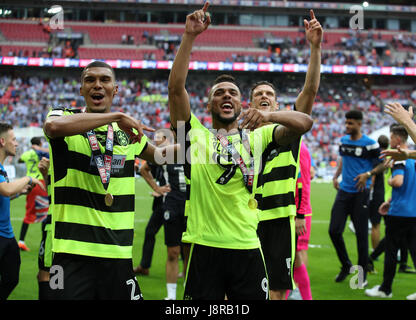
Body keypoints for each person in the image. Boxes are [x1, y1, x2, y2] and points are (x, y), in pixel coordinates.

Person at [168, 2, 313, 300]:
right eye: (218, 93)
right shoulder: (196, 136)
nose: (226, 96)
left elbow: (304, 122)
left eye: (232, 93)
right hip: (203, 245)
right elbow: (175, 89)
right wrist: (189, 37)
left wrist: (270, 116)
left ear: (240, 105)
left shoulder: (258, 138)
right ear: (208, 105)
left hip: (247, 246)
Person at [43, 60, 175, 300]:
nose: (97, 85)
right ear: (81, 89)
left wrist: (199, 142)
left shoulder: (126, 132)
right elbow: (52, 127)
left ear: (115, 90)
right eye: (90, 80)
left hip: (118, 255)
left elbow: (159, 155)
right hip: (72, 256)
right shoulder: (64, 115)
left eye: (105, 80)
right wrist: (116, 116)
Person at [248, 9, 322, 301]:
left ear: (277, 103)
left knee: (278, 288)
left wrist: (315, 47)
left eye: (269, 94)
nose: (264, 96)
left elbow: (311, 90)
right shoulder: (239, 134)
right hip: (244, 218)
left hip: (279, 219)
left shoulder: (287, 131)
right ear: (249, 102)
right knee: (242, 286)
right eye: (258, 95)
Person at [329, 110, 385, 286]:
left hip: (361, 193)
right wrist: (335, 176)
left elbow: (383, 164)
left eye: (350, 123)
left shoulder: (370, 144)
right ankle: (346, 265)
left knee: (361, 236)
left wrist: (367, 174)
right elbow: (343, 159)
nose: (347, 126)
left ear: (360, 124)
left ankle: (361, 278)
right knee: (334, 230)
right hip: (344, 192)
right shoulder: (344, 141)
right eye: (346, 123)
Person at [365, 124, 416, 298]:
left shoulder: (400, 158)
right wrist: (389, 200)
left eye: (391, 136)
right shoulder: (414, 158)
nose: (390, 139)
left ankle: (385, 288)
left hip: (400, 213)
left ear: (398, 139)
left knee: (391, 251)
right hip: (412, 211)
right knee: (414, 251)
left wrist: (389, 181)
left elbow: (399, 181)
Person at [0, 122, 45, 300]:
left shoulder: (3, 168)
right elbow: (6, 190)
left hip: (7, 236)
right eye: (14, 139)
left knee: (12, 279)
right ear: (2, 141)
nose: (17, 143)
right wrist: (28, 178)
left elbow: (6, 194)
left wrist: (19, 193)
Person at [133, 133, 171, 276]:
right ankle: (144, 266)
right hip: (162, 201)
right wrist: (157, 188)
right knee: (151, 232)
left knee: (178, 238)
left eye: (159, 137)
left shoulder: (173, 152)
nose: (156, 140)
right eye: (155, 137)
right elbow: (144, 170)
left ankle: (145, 266)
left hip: (174, 201)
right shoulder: (159, 154)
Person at [17, 137, 49, 251]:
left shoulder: (27, 153)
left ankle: (21, 241)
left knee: (29, 211)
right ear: (40, 143)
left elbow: (19, 160)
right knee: (45, 212)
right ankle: (44, 242)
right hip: (40, 183)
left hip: (29, 182)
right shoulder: (40, 153)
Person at [36, 156, 52, 300]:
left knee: (46, 275)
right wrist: (46, 174)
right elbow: (53, 194)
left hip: (55, 227)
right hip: (53, 225)